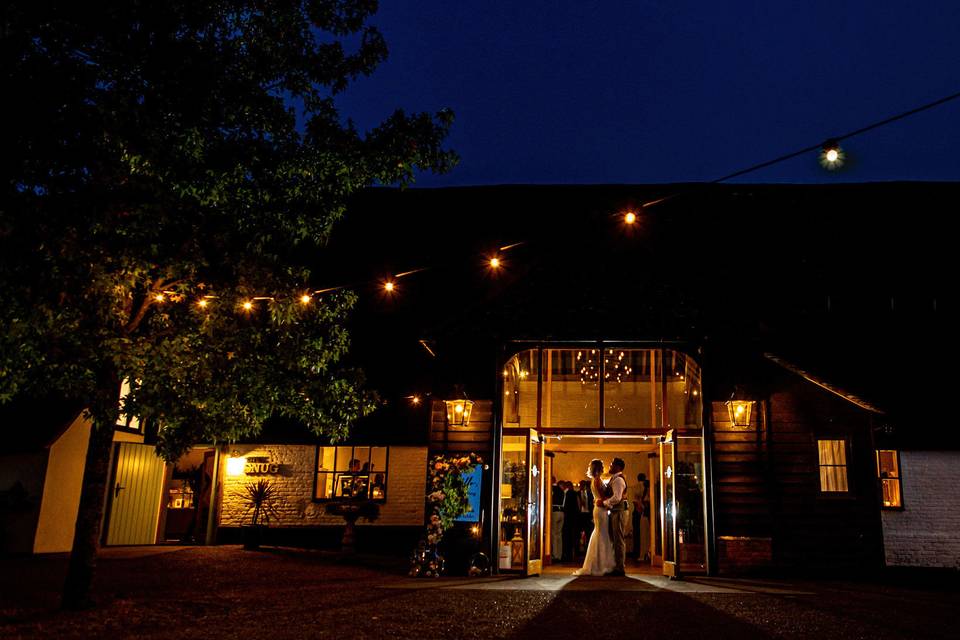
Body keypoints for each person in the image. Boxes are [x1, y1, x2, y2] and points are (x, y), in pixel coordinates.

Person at [574, 460, 616, 576]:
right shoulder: (597, 480)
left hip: (599, 509)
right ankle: (600, 565)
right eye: (602, 466)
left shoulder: (595, 480)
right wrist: (610, 497)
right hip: (601, 509)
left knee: (600, 533)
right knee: (601, 534)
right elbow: (603, 497)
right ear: (598, 468)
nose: (603, 468)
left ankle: (598, 563)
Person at [601, 458, 628, 576]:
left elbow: (617, 497)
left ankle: (620, 567)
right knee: (615, 538)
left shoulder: (618, 480)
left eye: (611, 465)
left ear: (617, 467)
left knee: (618, 539)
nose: (610, 466)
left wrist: (604, 503)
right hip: (615, 511)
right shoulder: (614, 478)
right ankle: (616, 564)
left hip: (619, 511)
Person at [631, 472, 651, 561]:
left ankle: (637, 553)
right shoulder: (648, 487)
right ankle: (647, 552)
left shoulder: (636, 486)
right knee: (646, 533)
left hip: (638, 511)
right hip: (646, 511)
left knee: (637, 533)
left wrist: (639, 508)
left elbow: (634, 501)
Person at [561, 480, 580, 562]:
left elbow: (565, 505)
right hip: (575, 517)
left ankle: (567, 554)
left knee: (566, 536)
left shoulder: (567, 493)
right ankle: (573, 554)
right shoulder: (575, 493)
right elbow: (579, 505)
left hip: (568, 517)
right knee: (573, 536)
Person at [577, 479, 593, 556]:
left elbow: (591, 505)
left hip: (588, 515)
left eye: (583, 485)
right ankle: (580, 550)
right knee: (579, 533)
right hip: (580, 515)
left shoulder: (590, 494)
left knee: (588, 533)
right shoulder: (577, 493)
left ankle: (588, 550)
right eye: (581, 485)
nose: (582, 487)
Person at [550, 476, 564, 562]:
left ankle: (555, 555)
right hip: (561, 512)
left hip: (554, 511)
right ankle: (560, 554)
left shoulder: (551, 489)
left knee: (554, 534)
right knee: (559, 534)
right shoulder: (561, 490)